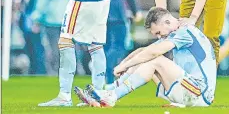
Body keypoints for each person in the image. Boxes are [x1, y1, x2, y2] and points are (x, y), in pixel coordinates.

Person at [75, 7, 217, 108]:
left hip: (199, 94)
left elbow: (153, 53)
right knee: (147, 57)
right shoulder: (175, 31)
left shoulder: (185, 32)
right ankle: (107, 93)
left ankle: (111, 96)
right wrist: (125, 64)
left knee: (156, 60)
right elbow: (144, 51)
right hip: (189, 89)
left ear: (167, 22)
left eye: (159, 33)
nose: (159, 36)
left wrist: (123, 66)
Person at [105, 0, 142, 83]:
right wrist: (135, 10)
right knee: (119, 45)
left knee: (104, 45)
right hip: (115, 10)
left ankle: (101, 74)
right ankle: (108, 70)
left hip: (96, 9)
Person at [31, 0, 69, 75]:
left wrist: (37, 18)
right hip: (68, 17)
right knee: (68, 47)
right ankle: (71, 70)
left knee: (54, 47)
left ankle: (56, 71)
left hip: (51, 19)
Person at [19, 0, 46, 74]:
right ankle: (33, 70)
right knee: (30, 47)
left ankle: (40, 71)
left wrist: (37, 21)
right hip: (26, 24)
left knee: (37, 47)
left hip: (35, 23)